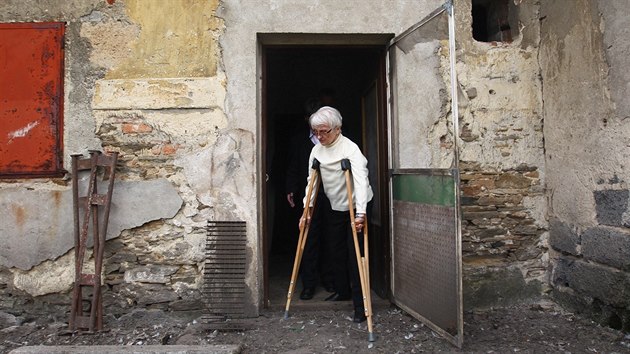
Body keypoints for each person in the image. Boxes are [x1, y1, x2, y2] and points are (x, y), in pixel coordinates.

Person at [301, 106, 373, 323]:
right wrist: (307, 210)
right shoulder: (316, 151)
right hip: (335, 207)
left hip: (355, 206)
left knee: (355, 257)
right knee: (335, 251)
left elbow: (361, 181)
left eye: (324, 131)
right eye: (316, 132)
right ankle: (343, 291)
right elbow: (311, 183)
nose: (319, 136)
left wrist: (361, 213)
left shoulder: (350, 149)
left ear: (338, 129)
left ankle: (361, 308)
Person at [285, 98, 334, 300]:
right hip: (309, 194)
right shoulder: (298, 140)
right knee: (309, 239)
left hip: (332, 194)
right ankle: (309, 284)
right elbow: (294, 166)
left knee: (331, 238)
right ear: (307, 120)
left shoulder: (336, 139)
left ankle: (330, 279)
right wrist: (290, 188)